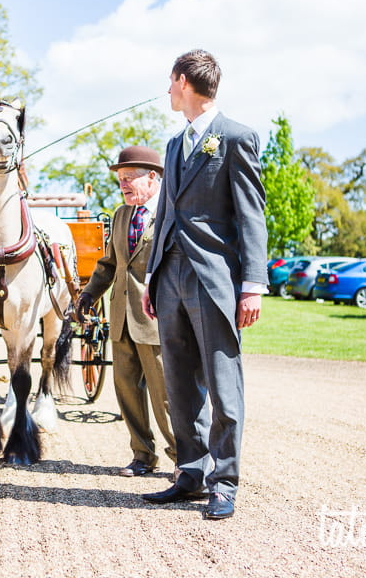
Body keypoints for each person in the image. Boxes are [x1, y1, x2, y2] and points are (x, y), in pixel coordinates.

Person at [140, 50, 268, 520]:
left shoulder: (236, 138)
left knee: (222, 382)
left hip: (216, 279)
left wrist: (252, 284)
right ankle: (190, 472)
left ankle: (225, 481)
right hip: (170, 276)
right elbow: (167, 213)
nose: (168, 90)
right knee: (179, 381)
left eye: (170, 82)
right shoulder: (174, 145)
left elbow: (251, 215)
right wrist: (152, 276)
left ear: (182, 81)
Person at [77, 146, 176, 478]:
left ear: (152, 177)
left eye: (129, 178)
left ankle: (184, 460)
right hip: (120, 321)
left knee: (167, 398)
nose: (123, 185)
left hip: (156, 321)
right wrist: (89, 294)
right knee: (127, 393)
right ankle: (142, 455)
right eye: (120, 179)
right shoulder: (121, 215)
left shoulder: (171, 213)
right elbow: (109, 265)